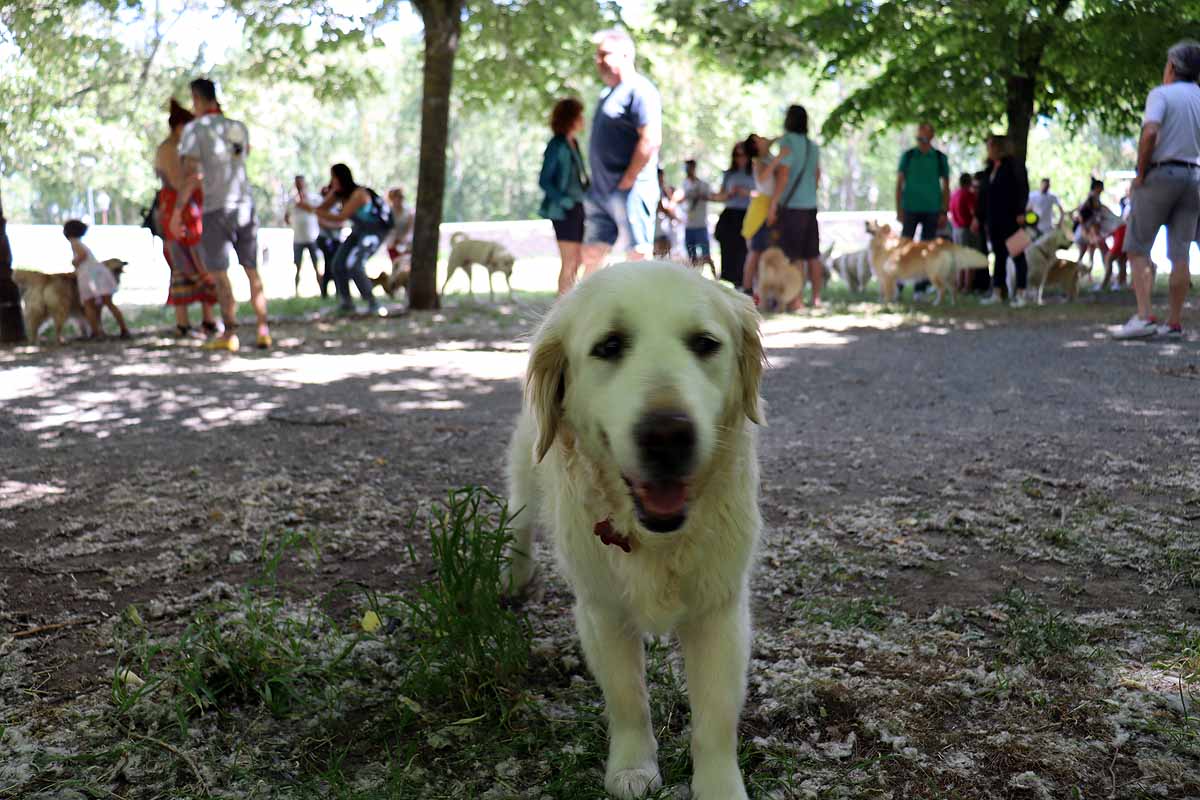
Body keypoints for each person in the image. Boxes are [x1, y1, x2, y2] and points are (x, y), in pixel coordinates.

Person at [172, 78, 270, 351]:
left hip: (216, 208)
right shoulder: (237, 128)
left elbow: (191, 173)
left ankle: (230, 334)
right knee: (252, 271)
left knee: (220, 273)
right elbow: (240, 157)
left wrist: (178, 210)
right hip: (245, 205)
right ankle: (263, 329)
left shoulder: (194, 130)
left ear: (197, 99)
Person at [1113, 40, 1200, 340]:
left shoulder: (1160, 95)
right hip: (1194, 177)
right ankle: (1173, 322)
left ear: (1172, 67)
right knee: (1181, 252)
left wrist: (1141, 172)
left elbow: (1150, 132)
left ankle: (1144, 315)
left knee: (1137, 246)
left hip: (1161, 173)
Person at [581, 29, 662, 275]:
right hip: (600, 192)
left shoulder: (641, 90)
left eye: (604, 54)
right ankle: (590, 311)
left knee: (638, 255)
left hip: (631, 191)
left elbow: (650, 139)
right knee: (592, 254)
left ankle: (644, 312)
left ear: (625, 55)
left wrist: (628, 179)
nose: (598, 61)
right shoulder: (606, 94)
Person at [153, 97, 217, 338]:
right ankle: (183, 322)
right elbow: (180, 183)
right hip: (178, 214)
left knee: (201, 261)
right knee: (183, 264)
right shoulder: (169, 149)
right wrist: (197, 180)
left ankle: (208, 319)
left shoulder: (183, 149)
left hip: (191, 213)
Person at [298, 163, 390, 316]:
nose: (332, 181)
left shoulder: (359, 194)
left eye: (333, 177)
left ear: (341, 178)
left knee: (354, 265)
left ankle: (373, 303)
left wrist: (312, 210)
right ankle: (346, 303)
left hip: (374, 231)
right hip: (359, 231)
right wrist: (315, 204)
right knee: (337, 264)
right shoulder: (339, 194)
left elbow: (341, 216)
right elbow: (322, 208)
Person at [767, 105, 823, 308]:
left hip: (792, 207)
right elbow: (817, 176)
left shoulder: (788, 142)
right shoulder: (813, 146)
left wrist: (773, 204)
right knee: (813, 255)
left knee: (794, 255)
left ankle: (796, 299)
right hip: (810, 206)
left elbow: (783, 175)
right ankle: (816, 298)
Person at [538, 97, 589, 295]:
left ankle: (570, 305)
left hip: (578, 206)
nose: (583, 119)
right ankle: (561, 311)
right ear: (571, 118)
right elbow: (544, 180)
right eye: (579, 115)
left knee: (578, 261)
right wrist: (563, 200)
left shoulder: (573, 142)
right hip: (563, 209)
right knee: (569, 262)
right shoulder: (556, 144)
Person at [896, 122, 950, 298]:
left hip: (932, 209)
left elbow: (946, 186)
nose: (921, 139)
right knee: (904, 248)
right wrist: (899, 209)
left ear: (931, 136)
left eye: (925, 136)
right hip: (910, 208)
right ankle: (898, 285)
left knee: (927, 250)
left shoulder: (939, 158)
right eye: (919, 135)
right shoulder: (909, 156)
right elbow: (899, 183)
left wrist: (944, 211)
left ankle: (921, 287)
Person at [978, 134, 1031, 306]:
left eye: (991, 146)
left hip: (1012, 220)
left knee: (1018, 255)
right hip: (994, 220)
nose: (989, 149)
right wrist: (979, 217)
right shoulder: (988, 170)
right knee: (999, 256)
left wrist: (1020, 212)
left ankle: (1022, 293)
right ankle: (998, 292)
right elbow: (984, 196)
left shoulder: (1014, 167)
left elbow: (1022, 190)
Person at [63, 219, 130, 340]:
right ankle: (122, 329)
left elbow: (82, 255)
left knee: (89, 304)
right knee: (108, 303)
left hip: (88, 276)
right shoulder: (79, 242)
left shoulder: (74, 243)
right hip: (97, 273)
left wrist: (75, 262)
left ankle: (96, 332)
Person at [741, 133, 789, 295]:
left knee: (760, 253)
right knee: (755, 253)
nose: (763, 139)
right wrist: (780, 157)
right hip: (761, 211)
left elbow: (774, 139)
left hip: (767, 207)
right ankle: (747, 289)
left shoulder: (766, 158)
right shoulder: (760, 162)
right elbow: (762, 178)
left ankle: (756, 289)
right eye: (758, 139)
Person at [709, 141, 755, 287]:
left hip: (748, 215)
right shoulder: (729, 174)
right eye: (736, 155)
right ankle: (732, 282)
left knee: (745, 251)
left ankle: (746, 283)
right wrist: (729, 194)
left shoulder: (756, 171)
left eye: (743, 155)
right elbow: (719, 196)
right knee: (729, 252)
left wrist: (746, 193)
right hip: (730, 216)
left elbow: (763, 195)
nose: (740, 158)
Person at [285, 175, 322, 297]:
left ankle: (322, 291)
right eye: (297, 183)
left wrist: (304, 205)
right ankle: (296, 292)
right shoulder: (291, 201)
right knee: (297, 266)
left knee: (317, 265)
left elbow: (320, 211)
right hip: (298, 239)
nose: (299, 186)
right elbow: (286, 217)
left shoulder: (313, 198)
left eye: (301, 183)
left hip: (312, 238)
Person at [681, 159, 714, 271]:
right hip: (688, 226)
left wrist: (700, 196)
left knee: (706, 255)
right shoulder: (684, 184)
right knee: (692, 258)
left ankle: (715, 278)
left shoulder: (703, 185)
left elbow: (711, 197)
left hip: (701, 226)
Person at [315, 184, 342, 299]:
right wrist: (334, 224)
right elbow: (321, 221)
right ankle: (324, 292)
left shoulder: (337, 207)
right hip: (324, 239)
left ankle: (338, 291)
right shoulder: (322, 206)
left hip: (335, 240)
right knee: (329, 265)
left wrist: (334, 223)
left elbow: (342, 222)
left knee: (336, 265)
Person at [384, 187, 414, 266]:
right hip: (392, 245)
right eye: (397, 197)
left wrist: (403, 239)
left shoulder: (408, 212)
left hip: (406, 244)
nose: (399, 199)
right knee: (396, 265)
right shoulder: (387, 212)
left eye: (401, 197)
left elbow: (410, 228)